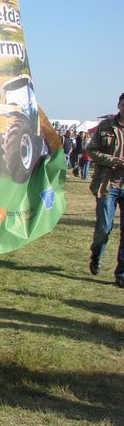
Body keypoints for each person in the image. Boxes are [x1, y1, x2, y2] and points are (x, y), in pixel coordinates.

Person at [88, 93, 124, 288]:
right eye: (123, 104)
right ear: (119, 105)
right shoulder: (106, 126)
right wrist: (114, 161)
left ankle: (121, 273)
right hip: (107, 185)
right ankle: (96, 254)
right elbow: (91, 151)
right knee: (103, 228)